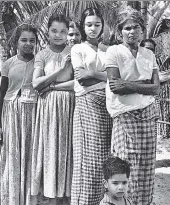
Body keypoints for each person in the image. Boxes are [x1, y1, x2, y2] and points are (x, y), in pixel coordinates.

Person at [105, 7, 160, 205]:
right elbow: (115, 87)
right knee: (124, 167)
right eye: (127, 28)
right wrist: (145, 84)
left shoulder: (148, 54)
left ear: (142, 30)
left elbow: (156, 90)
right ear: (120, 32)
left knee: (146, 169)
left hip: (147, 114)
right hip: (125, 115)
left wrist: (129, 85)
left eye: (136, 27)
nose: (132, 31)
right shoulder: (114, 51)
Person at [70, 8, 112, 205]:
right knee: (88, 159)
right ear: (82, 26)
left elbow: (116, 77)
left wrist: (92, 73)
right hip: (87, 104)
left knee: (104, 155)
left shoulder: (108, 50)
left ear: (102, 26)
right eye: (89, 24)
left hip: (107, 106)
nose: (93, 28)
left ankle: (101, 200)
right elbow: (82, 80)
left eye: (97, 24)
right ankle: (85, 201)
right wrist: (103, 75)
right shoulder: (77, 49)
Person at [31, 14, 74, 205]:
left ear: (68, 33)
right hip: (48, 108)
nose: (58, 35)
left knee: (68, 148)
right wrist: (60, 69)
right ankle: (49, 195)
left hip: (69, 106)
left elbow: (78, 83)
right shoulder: (42, 54)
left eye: (63, 31)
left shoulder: (74, 51)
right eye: (54, 31)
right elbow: (36, 83)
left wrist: (53, 85)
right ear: (47, 31)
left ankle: (67, 195)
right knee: (50, 147)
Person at [0, 24, 38, 205]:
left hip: (32, 112)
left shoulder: (40, 62)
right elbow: (2, 95)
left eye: (32, 41)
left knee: (30, 154)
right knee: (12, 153)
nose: (28, 44)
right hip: (11, 113)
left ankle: (30, 198)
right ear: (17, 41)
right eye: (24, 40)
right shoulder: (8, 64)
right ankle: (11, 197)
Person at [140, 38, 170, 138]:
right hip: (136, 108)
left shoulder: (153, 66)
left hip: (151, 109)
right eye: (147, 48)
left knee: (150, 142)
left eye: (152, 50)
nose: (149, 52)